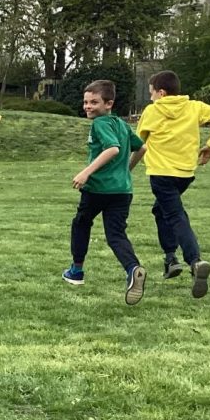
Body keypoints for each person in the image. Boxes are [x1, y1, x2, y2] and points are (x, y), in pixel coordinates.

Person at [130, 70, 210, 300]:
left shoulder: (152, 111)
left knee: (175, 215)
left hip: (161, 174)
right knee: (160, 210)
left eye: (151, 93)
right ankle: (170, 259)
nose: (151, 98)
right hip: (185, 174)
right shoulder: (194, 107)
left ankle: (194, 261)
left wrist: (127, 169)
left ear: (161, 93)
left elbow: (138, 143)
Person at [62, 80, 147, 305]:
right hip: (122, 191)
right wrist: (127, 170)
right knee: (116, 235)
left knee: (81, 223)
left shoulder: (100, 124)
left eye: (94, 102)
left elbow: (112, 149)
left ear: (108, 104)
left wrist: (86, 172)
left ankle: (76, 271)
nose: (88, 107)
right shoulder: (121, 124)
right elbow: (142, 148)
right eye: (86, 102)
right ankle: (133, 269)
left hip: (98, 189)